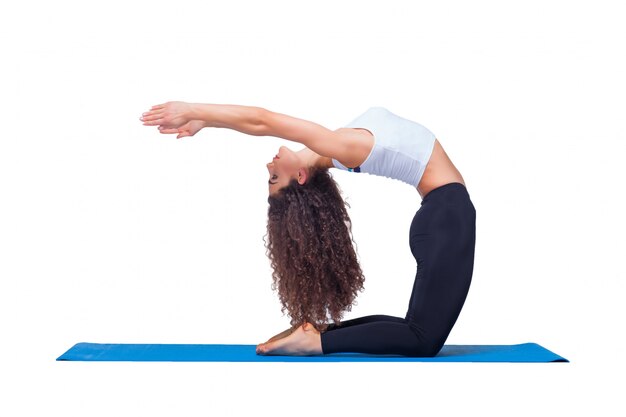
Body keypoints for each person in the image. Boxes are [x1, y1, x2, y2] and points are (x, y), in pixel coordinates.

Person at [140, 102, 476, 357]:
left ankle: (319, 332)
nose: (268, 166)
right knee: (423, 339)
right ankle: (317, 341)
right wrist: (194, 109)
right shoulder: (344, 149)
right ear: (300, 177)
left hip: (441, 217)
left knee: (415, 329)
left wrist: (207, 120)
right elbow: (264, 121)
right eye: (274, 177)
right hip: (448, 216)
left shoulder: (324, 153)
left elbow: (260, 124)